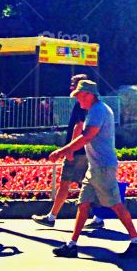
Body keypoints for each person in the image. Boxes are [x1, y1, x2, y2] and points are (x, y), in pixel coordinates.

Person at [49, 77, 137, 257]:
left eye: (79, 95)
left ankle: (136, 241)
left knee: (116, 205)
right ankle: (72, 245)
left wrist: (62, 151)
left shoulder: (98, 111)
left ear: (88, 95)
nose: (77, 99)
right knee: (83, 204)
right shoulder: (96, 109)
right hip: (95, 168)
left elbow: (87, 136)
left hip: (103, 167)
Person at [34, 75, 93, 226]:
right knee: (88, 185)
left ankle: (51, 217)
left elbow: (78, 126)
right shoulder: (88, 104)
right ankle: (98, 218)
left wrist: (70, 150)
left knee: (65, 184)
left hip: (77, 151)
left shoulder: (81, 104)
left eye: (73, 84)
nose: (70, 87)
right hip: (86, 151)